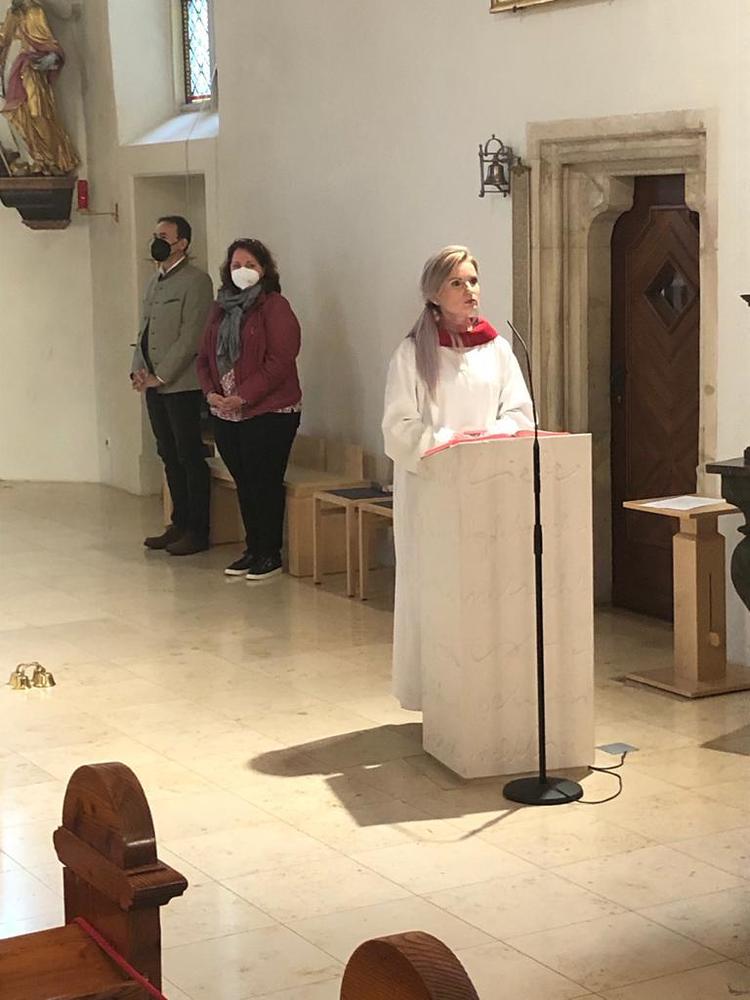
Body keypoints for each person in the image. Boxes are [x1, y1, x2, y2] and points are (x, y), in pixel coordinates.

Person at [382, 245, 534, 711]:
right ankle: (437, 692)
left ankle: (488, 690)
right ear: (434, 293)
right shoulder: (413, 354)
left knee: (489, 591)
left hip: (490, 486)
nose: (469, 290)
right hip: (433, 491)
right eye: (457, 282)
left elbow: (519, 412)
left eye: (473, 280)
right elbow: (398, 428)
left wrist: (492, 434)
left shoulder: (498, 349)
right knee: (437, 592)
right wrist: (449, 439)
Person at [197, 238, 302, 580]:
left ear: (264, 269)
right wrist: (211, 392)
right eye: (236, 265)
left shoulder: (275, 306)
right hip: (226, 412)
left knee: (264, 480)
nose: (242, 271)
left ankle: (270, 552)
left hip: (270, 410)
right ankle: (253, 548)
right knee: (243, 480)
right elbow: (204, 357)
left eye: (250, 265)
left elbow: (280, 360)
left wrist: (243, 396)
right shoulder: (220, 308)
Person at [131, 216, 214, 555]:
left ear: (182, 243)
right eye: (155, 235)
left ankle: (198, 530)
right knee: (167, 452)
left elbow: (191, 336)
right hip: (153, 384)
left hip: (181, 384)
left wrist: (162, 376)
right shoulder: (154, 281)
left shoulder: (197, 281)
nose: (157, 241)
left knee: (188, 454)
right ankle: (178, 522)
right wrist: (138, 371)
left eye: (164, 236)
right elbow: (144, 329)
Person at [0, 0, 79, 175]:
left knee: (38, 114)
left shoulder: (35, 12)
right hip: (11, 72)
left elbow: (49, 43)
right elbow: (3, 39)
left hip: (31, 70)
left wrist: (51, 58)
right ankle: (32, 158)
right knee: (16, 114)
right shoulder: (13, 13)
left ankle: (50, 159)